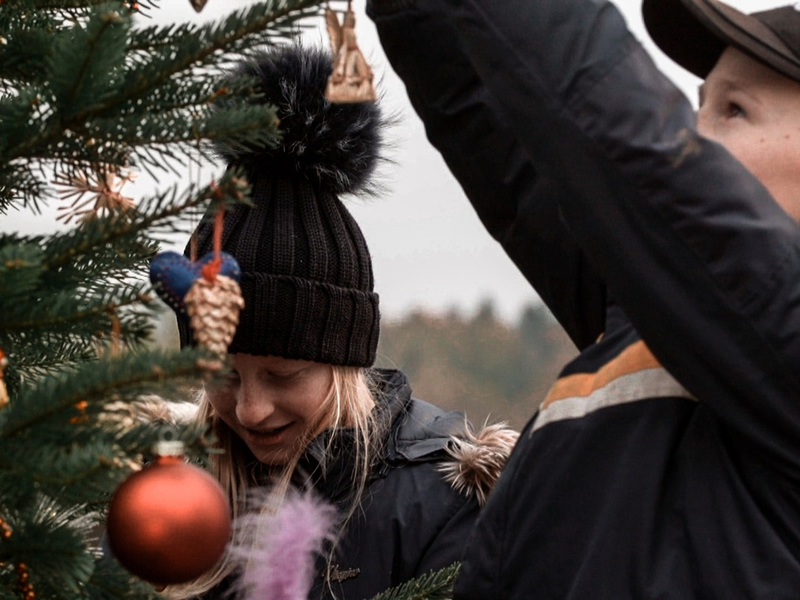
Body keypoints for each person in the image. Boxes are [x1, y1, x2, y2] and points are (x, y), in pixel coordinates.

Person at [365, 0, 800, 598]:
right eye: (697, 105)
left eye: (733, 109)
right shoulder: (643, 325)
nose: (696, 136)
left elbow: (615, 125)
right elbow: (507, 143)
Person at [166, 43, 518, 600]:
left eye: (283, 374)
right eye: (225, 375)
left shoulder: (446, 504)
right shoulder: (164, 501)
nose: (251, 409)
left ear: (345, 360)